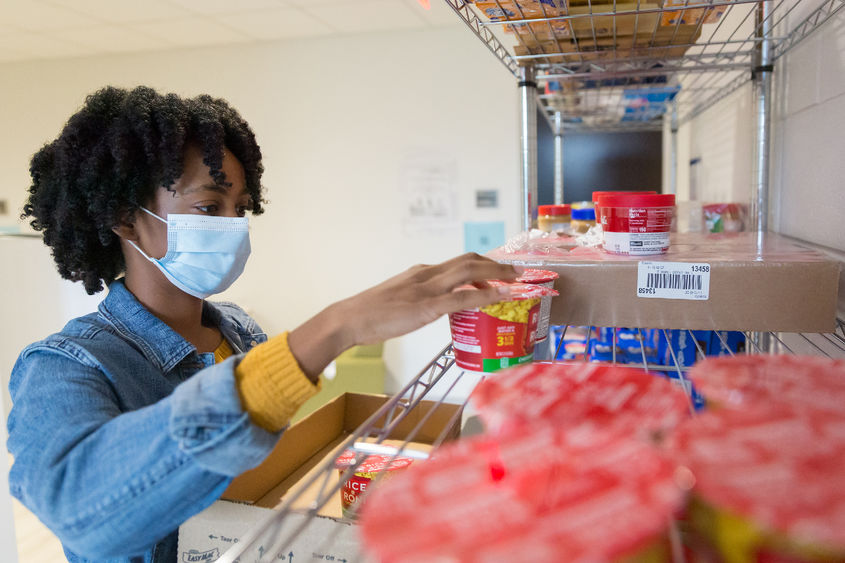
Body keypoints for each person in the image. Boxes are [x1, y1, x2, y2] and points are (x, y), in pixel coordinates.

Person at [7, 85, 518, 562]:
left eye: (240, 209)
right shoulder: (64, 364)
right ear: (124, 216)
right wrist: (334, 328)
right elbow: (79, 512)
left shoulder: (237, 329)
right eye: (209, 206)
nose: (232, 227)